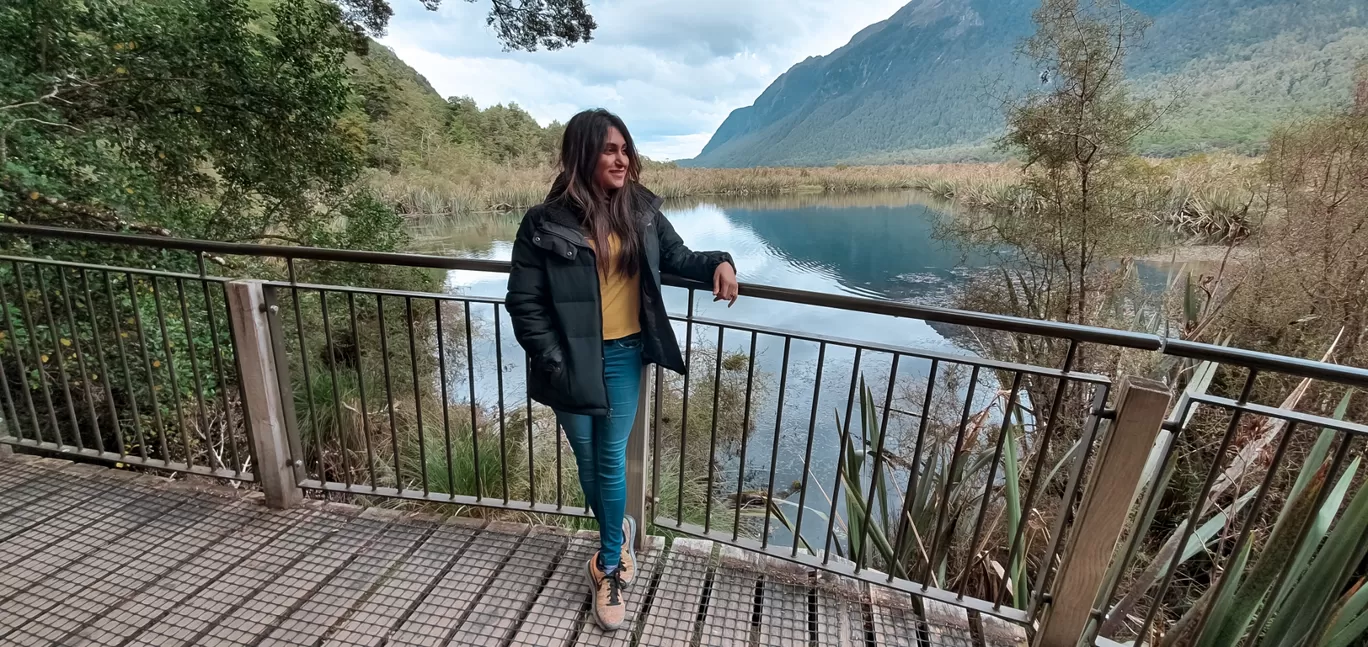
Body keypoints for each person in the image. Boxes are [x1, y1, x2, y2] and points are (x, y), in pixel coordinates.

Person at [505, 108, 739, 630]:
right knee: (588, 461)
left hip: (624, 355)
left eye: (625, 149)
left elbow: (679, 257)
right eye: (609, 150)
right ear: (582, 156)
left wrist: (721, 260)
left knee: (609, 459)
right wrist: (555, 360)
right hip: (566, 361)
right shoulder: (544, 222)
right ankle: (622, 529)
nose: (621, 158)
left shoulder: (642, 212)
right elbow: (524, 303)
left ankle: (608, 566)